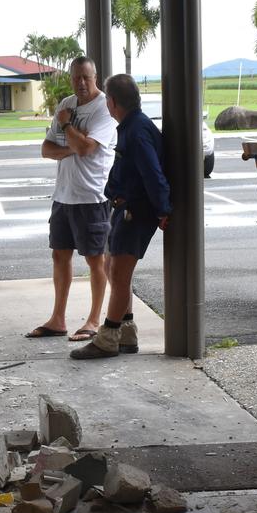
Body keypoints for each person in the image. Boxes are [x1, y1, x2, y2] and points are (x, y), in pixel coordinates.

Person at [70, 73, 171, 360]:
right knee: (114, 267)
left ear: (112, 102)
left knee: (119, 273)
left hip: (135, 211)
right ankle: (126, 332)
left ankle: (108, 337)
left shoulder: (137, 131)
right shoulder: (132, 126)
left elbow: (153, 174)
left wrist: (163, 210)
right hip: (127, 208)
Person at [26, 56, 117, 342]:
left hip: (92, 196)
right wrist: (73, 145)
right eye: (76, 77)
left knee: (95, 259)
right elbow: (46, 149)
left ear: (95, 77)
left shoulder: (104, 109)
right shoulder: (66, 105)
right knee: (59, 255)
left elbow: (88, 149)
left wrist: (67, 129)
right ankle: (58, 319)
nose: (80, 83)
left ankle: (93, 320)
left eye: (86, 78)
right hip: (63, 195)